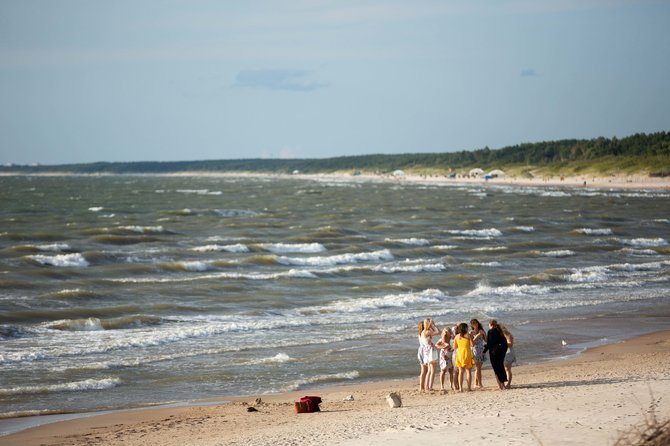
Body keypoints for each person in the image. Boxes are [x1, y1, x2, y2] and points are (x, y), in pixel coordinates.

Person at [483, 319, 508, 390]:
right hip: (502, 351)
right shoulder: (500, 331)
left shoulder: (491, 331)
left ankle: (500, 386)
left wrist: (484, 351)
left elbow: (489, 343)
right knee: (501, 367)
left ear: (491, 325)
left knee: (496, 369)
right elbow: (504, 342)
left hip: (494, 352)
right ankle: (503, 385)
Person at [454, 322, 476, 392]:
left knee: (461, 372)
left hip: (460, 354)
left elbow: (455, 346)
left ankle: (460, 388)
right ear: (465, 328)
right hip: (467, 353)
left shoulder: (457, 336)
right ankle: (469, 388)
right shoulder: (468, 335)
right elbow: (472, 345)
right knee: (468, 371)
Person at [420, 318, 440, 391]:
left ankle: (427, 386)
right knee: (432, 370)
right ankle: (430, 386)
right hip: (431, 351)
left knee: (429, 370)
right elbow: (438, 332)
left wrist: (431, 325)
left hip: (426, 351)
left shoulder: (423, 332)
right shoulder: (427, 332)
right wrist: (433, 325)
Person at [435, 327, 454, 391]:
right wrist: (443, 347)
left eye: (448, 331)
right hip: (443, 354)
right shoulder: (442, 340)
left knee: (451, 370)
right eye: (446, 331)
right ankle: (442, 386)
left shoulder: (452, 338)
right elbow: (436, 345)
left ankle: (451, 385)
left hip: (450, 354)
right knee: (443, 370)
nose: (447, 332)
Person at [470, 318, 486, 389]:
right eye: (473, 324)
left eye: (476, 323)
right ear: (472, 325)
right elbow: (472, 343)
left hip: (481, 350)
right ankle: (480, 383)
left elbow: (486, 340)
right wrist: (478, 334)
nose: (475, 325)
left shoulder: (481, 330)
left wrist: (484, 334)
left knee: (478, 368)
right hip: (475, 350)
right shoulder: (471, 333)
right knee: (478, 368)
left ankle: (475, 383)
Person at [502, 325, 516, 389]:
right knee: (505, 369)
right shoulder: (501, 336)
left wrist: (503, 343)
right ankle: (505, 383)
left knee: (507, 369)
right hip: (504, 353)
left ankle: (508, 383)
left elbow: (510, 344)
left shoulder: (509, 335)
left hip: (509, 352)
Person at [417, 320, 427, 391]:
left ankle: (422, 386)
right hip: (424, 351)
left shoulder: (420, 334)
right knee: (425, 370)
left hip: (420, 351)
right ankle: (423, 386)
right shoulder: (425, 333)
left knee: (423, 370)